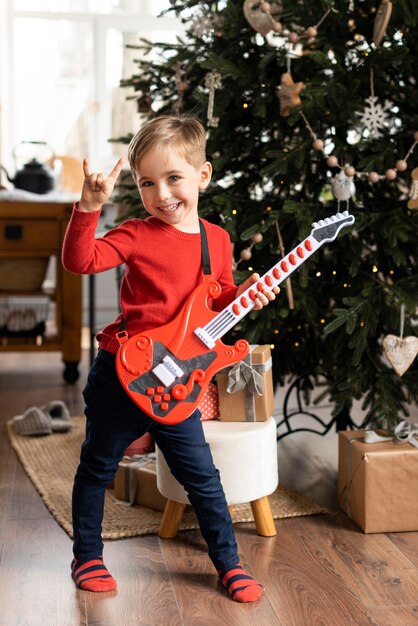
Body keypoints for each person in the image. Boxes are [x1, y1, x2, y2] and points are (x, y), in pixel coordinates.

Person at [62, 115, 279, 602]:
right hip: (122, 374)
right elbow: (81, 261)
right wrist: (88, 208)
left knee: (203, 476)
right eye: (147, 183)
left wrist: (244, 294)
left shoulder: (216, 240)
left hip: (177, 383)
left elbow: (217, 301)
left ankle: (229, 564)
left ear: (202, 175)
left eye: (173, 178)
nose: (162, 194)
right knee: (98, 465)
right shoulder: (137, 233)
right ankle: (88, 557)